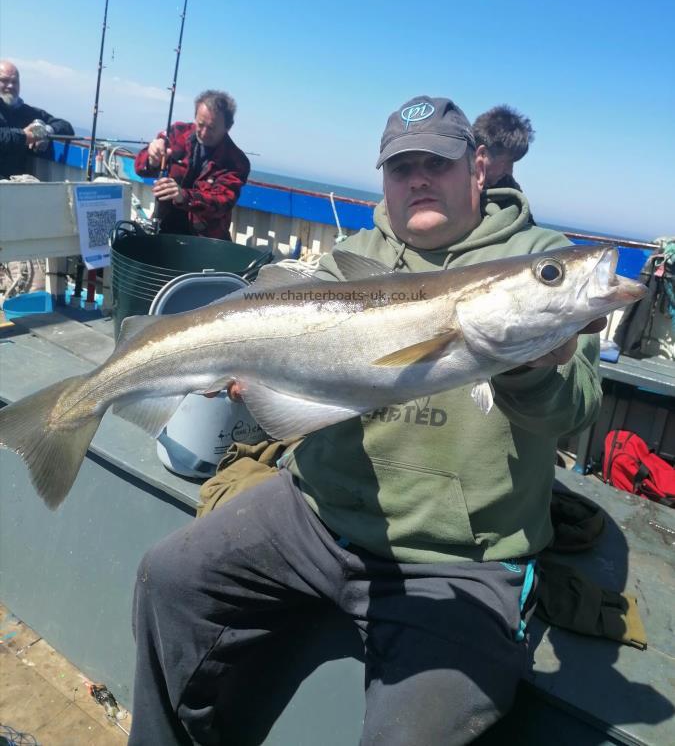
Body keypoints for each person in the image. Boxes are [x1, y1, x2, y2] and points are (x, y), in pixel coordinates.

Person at [129, 96, 604, 746]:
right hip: (316, 517)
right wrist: (248, 377)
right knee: (170, 578)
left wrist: (528, 366)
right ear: (382, 178)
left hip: (458, 558)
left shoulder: (540, 265)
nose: (417, 179)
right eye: (400, 166)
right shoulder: (352, 256)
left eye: (436, 161)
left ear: (476, 168)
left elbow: (577, 405)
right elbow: (281, 377)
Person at [134, 89, 250, 240]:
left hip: (205, 241)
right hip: (163, 228)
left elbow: (222, 203)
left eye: (212, 127)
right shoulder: (177, 132)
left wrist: (184, 196)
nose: (204, 132)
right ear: (195, 117)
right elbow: (140, 168)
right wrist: (152, 159)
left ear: (228, 127)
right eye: (200, 124)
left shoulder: (237, 161)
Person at [0, 59, 75, 178]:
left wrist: (44, 131)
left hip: (15, 186)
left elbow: (66, 126)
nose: (10, 86)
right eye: (4, 80)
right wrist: (25, 136)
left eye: (15, 82)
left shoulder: (27, 112)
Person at [473, 104, 534, 190]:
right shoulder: (452, 179)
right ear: (482, 154)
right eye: (506, 163)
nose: (509, 172)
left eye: (512, 164)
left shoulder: (508, 189)